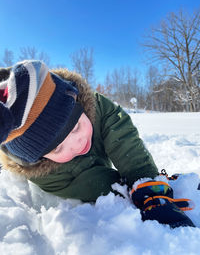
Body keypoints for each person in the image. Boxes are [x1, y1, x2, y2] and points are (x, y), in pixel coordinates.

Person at [0, 60, 195, 228]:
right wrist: (136, 194)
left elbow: (120, 132)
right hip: (65, 174)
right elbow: (94, 182)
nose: (77, 143)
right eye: (58, 147)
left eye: (76, 126)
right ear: (39, 158)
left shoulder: (91, 102)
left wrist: (144, 177)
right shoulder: (46, 174)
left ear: (77, 100)